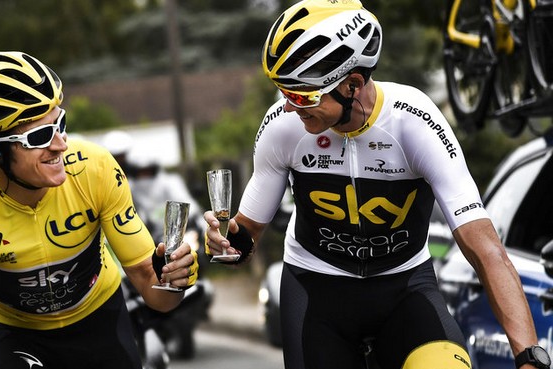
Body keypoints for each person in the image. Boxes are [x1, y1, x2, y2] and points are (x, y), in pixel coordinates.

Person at [203, 1, 547, 368]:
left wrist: (529, 356)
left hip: (404, 289)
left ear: (352, 84)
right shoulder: (282, 127)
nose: (289, 107)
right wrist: (226, 242)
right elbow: (245, 236)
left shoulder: (414, 123)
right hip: (317, 290)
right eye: (283, 92)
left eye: (302, 95)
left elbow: (487, 251)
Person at [0, 51, 199, 369]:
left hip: (96, 318)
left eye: (60, 123)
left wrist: (173, 280)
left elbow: (155, 292)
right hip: (13, 332)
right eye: (40, 136)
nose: (60, 143)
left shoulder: (95, 168)